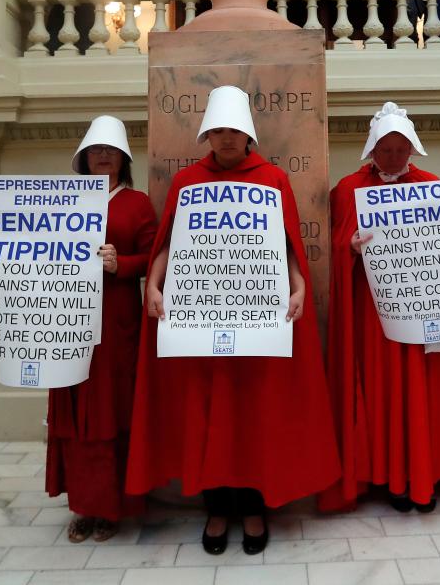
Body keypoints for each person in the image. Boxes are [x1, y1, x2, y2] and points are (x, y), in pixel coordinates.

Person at [126, 86, 340, 556]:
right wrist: (155, 286)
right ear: (207, 136)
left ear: (248, 136)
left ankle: (253, 509)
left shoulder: (272, 180)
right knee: (208, 417)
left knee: (253, 416)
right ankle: (216, 508)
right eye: (218, 131)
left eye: (234, 131)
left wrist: (300, 284)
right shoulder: (186, 183)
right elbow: (167, 244)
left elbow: (285, 244)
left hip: (256, 322)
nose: (226, 139)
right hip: (201, 323)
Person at [321, 102, 440, 514]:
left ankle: (427, 474)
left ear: (412, 148)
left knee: (429, 391)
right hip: (376, 313)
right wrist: (349, 247)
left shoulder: (435, 185)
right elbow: (337, 246)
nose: (393, 156)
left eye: (400, 148)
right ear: (371, 149)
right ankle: (393, 478)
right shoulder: (348, 188)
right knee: (384, 388)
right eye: (385, 149)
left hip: (429, 304)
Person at [0, 115, 157, 542]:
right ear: (82, 157)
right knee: (73, 412)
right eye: (95, 151)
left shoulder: (138, 204)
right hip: (63, 320)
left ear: (123, 159)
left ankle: (112, 506)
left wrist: (121, 263)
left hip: (115, 324)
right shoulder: (56, 201)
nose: (102, 157)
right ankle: (82, 505)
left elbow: (156, 257)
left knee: (110, 413)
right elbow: (25, 245)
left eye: (110, 151)